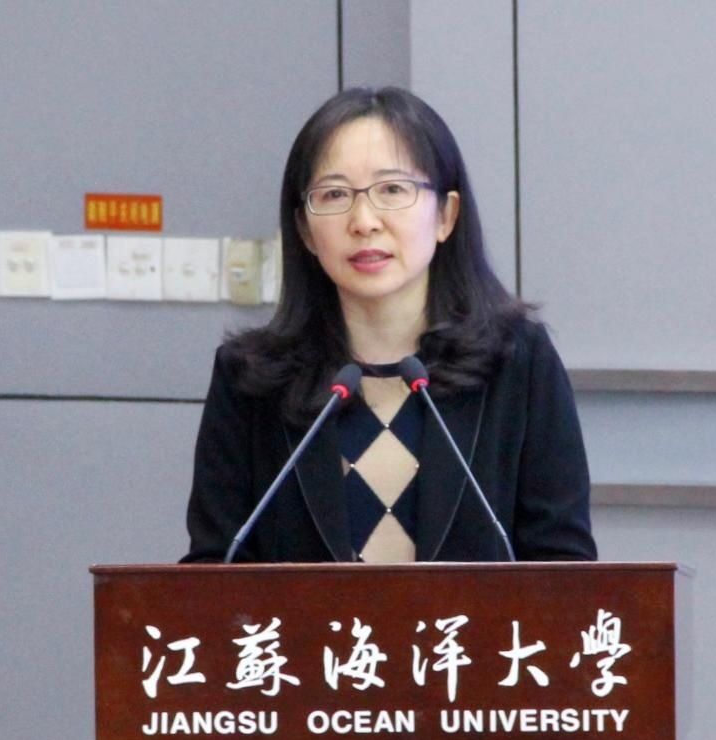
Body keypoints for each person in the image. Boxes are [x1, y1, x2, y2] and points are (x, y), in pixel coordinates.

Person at [181, 86, 596, 563]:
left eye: (393, 190)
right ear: (305, 231)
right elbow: (214, 570)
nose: (364, 221)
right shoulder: (250, 380)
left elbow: (563, 570)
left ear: (446, 215)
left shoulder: (518, 362)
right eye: (334, 194)